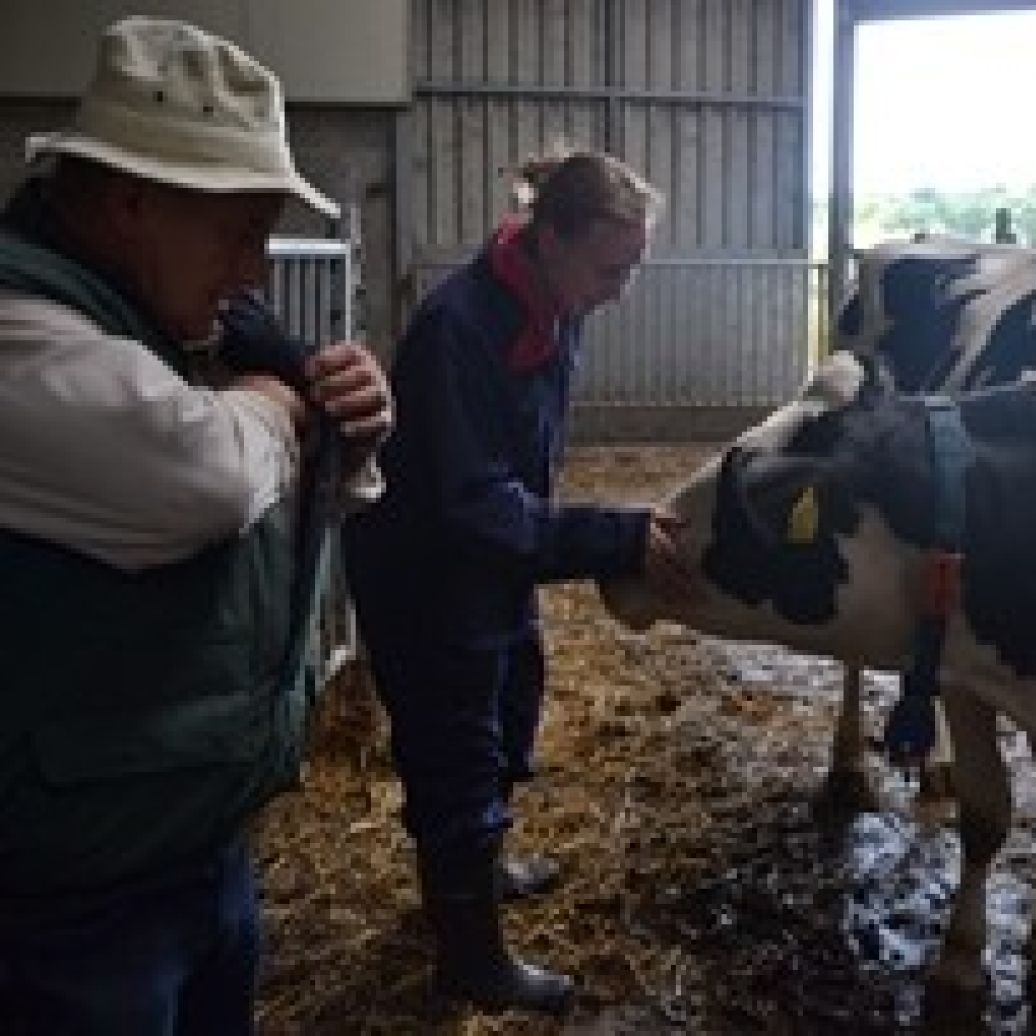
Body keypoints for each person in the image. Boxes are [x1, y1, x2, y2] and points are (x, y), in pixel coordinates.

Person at [0, 16, 392, 1035]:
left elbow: (261, 520)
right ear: (131, 201)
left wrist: (346, 438)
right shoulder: (22, 329)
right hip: (66, 909)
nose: (258, 268)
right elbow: (207, 479)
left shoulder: (155, 327)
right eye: (240, 229)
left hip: (197, 853)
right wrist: (282, 394)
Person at [341, 150, 694, 1014]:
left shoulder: (550, 308)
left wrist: (556, 532)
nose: (623, 288)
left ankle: (479, 871)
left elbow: (516, 477)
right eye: (613, 267)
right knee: (455, 746)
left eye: (635, 267)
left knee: (508, 704)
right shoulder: (458, 328)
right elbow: (469, 501)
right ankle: (470, 959)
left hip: (492, 559)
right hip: (428, 570)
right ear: (550, 238)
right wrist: (609, 537)